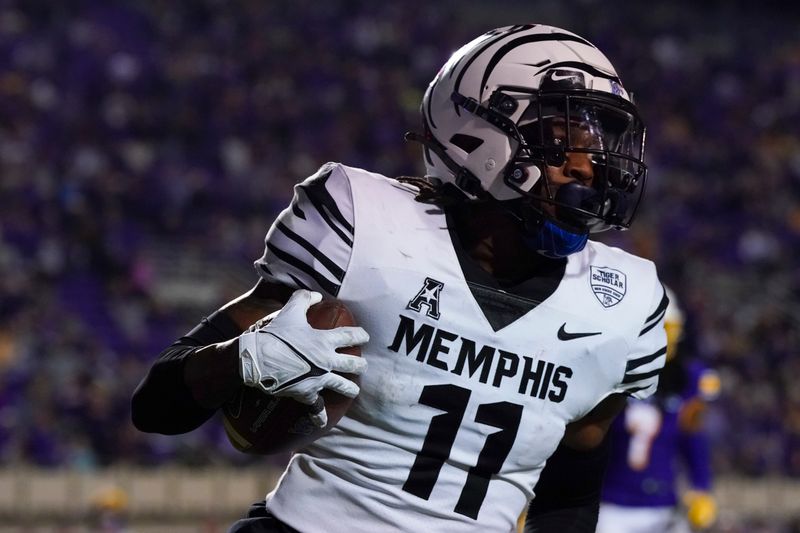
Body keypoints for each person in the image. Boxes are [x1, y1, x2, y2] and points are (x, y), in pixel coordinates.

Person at [131, 24, 668, 533]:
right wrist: (240, 360)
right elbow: (156, 407)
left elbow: (570, 492)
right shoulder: (363, 223)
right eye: (563, 136)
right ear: (482, 132)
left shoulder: (622, 304)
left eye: (599, 141)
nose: (589, 166)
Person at [595, 287, 720, 533]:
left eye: (667, 330)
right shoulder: (610, 369)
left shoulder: (689, 379)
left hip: (664, 505)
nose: (662, 339)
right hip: (610, 503)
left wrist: (701, 487)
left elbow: (693, 439)